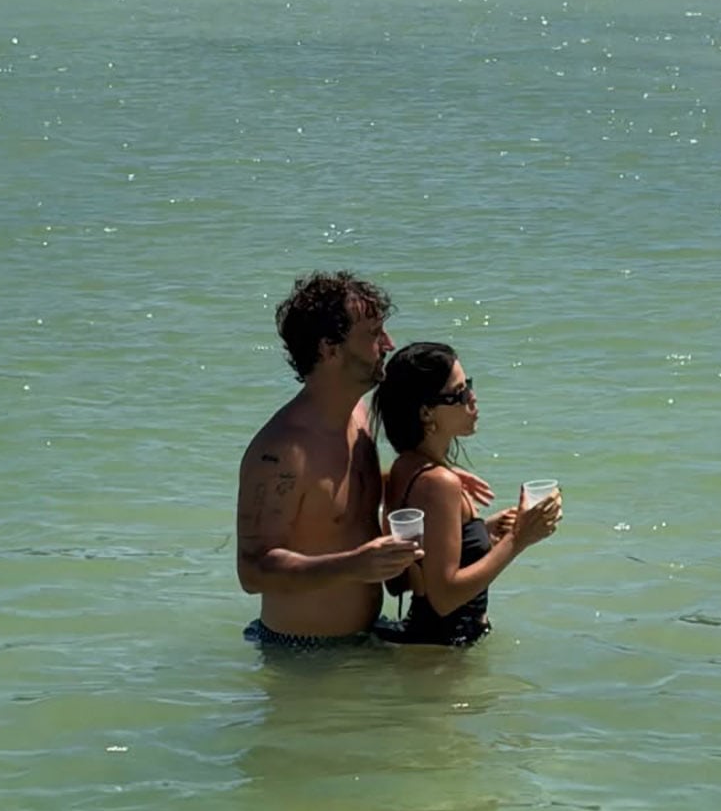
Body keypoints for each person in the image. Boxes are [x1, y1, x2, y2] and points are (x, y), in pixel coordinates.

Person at [235, 272, 491, 653]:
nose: (387, 343)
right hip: (303, 652)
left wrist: (433, 481)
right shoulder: (279, 452)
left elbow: (337, 495)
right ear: (329, 349)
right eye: (373, 334)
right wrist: (352, 565)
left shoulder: (357, 416)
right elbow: (253, 570)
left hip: (365, 640)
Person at [374, 342, 561, 647]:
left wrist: (482, 535)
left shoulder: (404, 467)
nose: (472, 398)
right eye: (459, 394)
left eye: (469, 386)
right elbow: (445, 597)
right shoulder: (438, 483)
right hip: (446, 648)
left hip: (423, 638)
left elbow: (401, 580)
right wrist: (519, 539)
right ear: (426, 413)